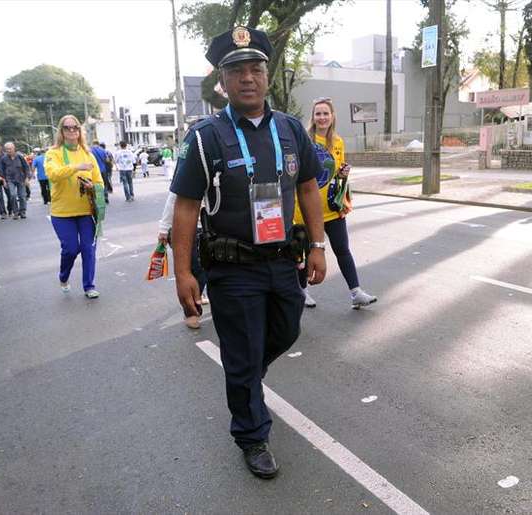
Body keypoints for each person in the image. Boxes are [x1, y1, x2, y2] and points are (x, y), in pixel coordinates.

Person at [170, 26, 327, 479]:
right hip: (232, 267)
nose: (248, 78)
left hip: (283, 261)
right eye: (237, 70)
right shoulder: (205, 137)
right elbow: (186, 205)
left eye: (255, 68)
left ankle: (244, 382)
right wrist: (183, 272)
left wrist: (317, 246)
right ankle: (252, 434)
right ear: (223, 80)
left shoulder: (291, 129)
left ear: (267, 74)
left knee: (287, 330)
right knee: (241, 354)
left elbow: (309, 188)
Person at [294, 98, 377, 309]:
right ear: (313, 117)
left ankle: (356, 292)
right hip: (305, 211)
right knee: (304, 253)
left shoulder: (338, 142)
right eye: (318, 114)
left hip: (331, 209)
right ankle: (303, 291)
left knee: (342, 249)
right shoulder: (304, 140)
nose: (322, 118)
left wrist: (342, 173)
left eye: (325, 114)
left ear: (332, 117)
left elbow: (335, 172)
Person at [44, 115, 104, 298]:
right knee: (70, 249)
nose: (72, 131)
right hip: (62, 213)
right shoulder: (53, 153)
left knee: (88, 248)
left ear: (80, 130)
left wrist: (92, 186)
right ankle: (63, 276)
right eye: (67, 128)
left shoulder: (88, 154)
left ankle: (89, 286)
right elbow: (53, 174)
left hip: (86, 211)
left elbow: (99, 182)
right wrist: (76, 167)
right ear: (61, 131)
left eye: (75, 127)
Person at [157, 191, 208, 329]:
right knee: (195, 271)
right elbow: (173, 200)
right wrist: (163, 229)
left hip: (215, 229)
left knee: (207, 271)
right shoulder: (189, 173)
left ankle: (199, 294)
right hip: (190, 229)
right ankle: (191, 312)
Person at [0, 142, 30, 219]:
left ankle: (22, 211)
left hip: (21, 179)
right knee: (12, 195)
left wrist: (27, 178)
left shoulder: (20, 157)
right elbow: (2, 171)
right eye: (7, 149)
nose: (8, 151)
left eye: (10, 149)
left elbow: (26, 167)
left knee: (22, 196)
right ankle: (15, 212)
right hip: (10, 180)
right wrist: (4, 181)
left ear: (14, 148)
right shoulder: (4, 159)